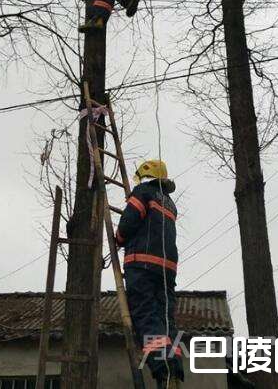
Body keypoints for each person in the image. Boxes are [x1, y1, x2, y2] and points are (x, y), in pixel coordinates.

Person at [115, 160, 183, 389]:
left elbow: (127, 224)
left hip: (142, 265)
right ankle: (174, 366)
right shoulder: (170, 203)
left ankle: (159, 365)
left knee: (145, 314)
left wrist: (119, 239)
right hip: (167, 269)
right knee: (166, 317)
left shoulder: (143, 192)